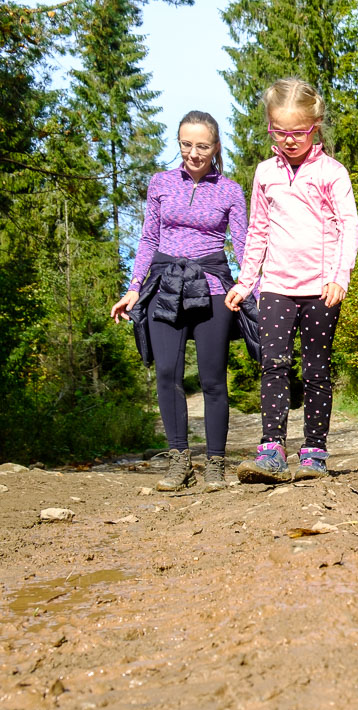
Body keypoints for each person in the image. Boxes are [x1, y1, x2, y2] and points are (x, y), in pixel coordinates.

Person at [111, 111, 259, 493]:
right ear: (179, 143)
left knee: (212, 380)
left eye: (202, 146)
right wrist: (133, 287)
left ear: (216, 147)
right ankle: (179, 461)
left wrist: (252, 290)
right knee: (167, 375)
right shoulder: (159, 183)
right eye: (186, 144)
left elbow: (242, 245)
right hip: (165, 287)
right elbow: (147, 239)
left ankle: (215, 464)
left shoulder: (230, 190)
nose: (194, 153)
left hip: (212, 287)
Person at [224, 78, 358, 483]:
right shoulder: (265, 174)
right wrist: (246, 282)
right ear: (270, 128)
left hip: (321, 289)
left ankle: (314, 452)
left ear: (314, 126)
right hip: (276, 287)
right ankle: (271, 450)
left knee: (316, 370)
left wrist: (340, 276)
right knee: (274, 366)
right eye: (278, 132)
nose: (288, 140)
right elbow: (258, 231)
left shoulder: (331, 173)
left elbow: (348, 226)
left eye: (297, 132)